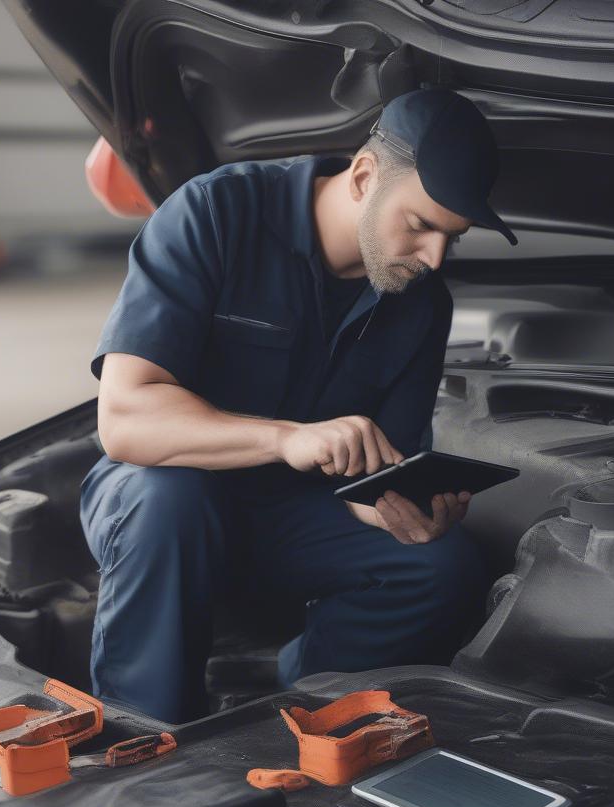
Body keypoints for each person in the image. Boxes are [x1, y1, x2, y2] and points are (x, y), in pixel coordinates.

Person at [79, 87, 519, 722]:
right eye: (421, 226)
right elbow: (124, 420)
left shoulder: (422, 304)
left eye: (454, 238)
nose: (435, 258)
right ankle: (142, 734)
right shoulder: (212, 214)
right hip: (157, 497)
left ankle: (304, 713)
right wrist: (285, 438)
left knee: (442, 566)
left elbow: (377, 479)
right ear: (365, 177)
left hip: (293, 519)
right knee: (171, 499)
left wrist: (406, 512)